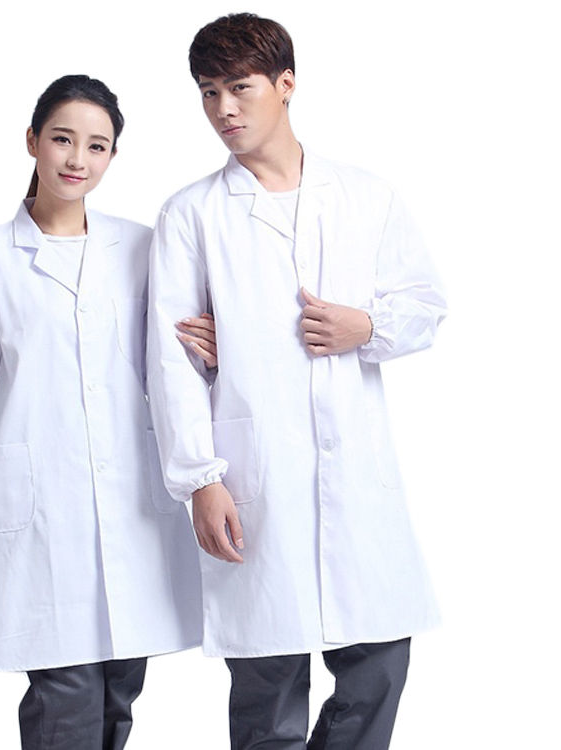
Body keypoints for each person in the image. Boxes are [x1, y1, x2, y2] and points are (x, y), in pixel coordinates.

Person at [146, 13, 447, 750]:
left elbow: (425, 305)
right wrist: (200, 480)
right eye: (208, 92)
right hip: (254, 478)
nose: (223, 108)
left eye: (239, 87)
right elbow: (171, 361)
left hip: (359, 479)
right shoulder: (191, 215)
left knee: (378, 663)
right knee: (267, 684)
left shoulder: (365, 195)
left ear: (286, 85)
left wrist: (364, 327)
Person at [0, 74, 215, 750]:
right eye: (62, 139)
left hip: (131, 499)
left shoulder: (142, 248)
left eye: (97, 146)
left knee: (118, 691)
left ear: (113, 156)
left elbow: (174, 363)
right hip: (40, 503)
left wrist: (213, 347)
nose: (77, 159)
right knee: (67, 694)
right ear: (32, 141)